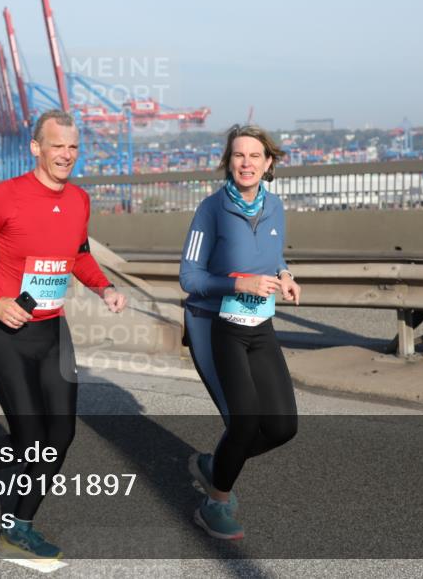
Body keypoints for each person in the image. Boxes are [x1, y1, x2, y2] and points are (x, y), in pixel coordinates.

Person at [0, 109, 127, 560]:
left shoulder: (80, 200)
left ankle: (17, 527)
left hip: (52, 331)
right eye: (57, 145)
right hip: (4, 330)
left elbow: (77, 256)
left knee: (60, 435)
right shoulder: (4, 198)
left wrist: (104, 287)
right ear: (36, 148)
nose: (65, 155)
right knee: (29, 439)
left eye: (72, 147)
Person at [179, 124, 301, 540]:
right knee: (244, 421)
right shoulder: (211, 210)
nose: (245, 163)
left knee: (283, 427)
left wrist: (284, 275)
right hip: (215, 324)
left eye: (254, 156)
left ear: (269, 164)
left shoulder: (275, 206)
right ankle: (214, 502)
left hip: (258, 322)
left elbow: (273, 254)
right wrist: (238, 283)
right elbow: (188, 277)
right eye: (238, 156)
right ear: (227, 162)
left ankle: (214, 466)